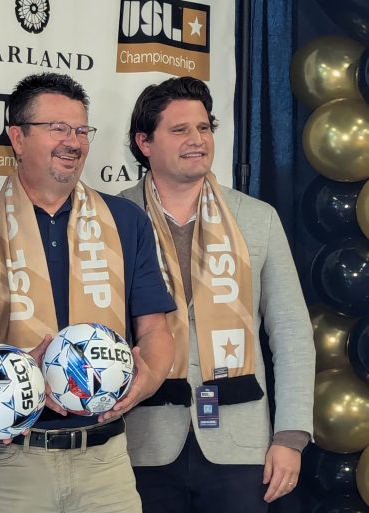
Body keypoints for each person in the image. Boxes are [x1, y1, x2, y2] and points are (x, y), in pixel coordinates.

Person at [0, 72, 176, 513]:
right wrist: (20, 376)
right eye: (57, 128)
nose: (73, 142)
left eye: (81, 130)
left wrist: (146, 382)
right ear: (17, 138)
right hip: (13, 460)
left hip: (105, 458)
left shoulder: (126, 221)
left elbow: (155, 329)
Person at [121, 76, 315, 513]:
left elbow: (291, 331)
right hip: (140, 442)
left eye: (204, 127)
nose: (197, 140)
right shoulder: (111, 217)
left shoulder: (257, 218)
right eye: (180, 130)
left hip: (240, 445)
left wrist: (290, 437)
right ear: (144, 142)